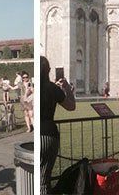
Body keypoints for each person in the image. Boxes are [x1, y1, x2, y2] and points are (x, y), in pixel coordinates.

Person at [39, 56, 75, 194]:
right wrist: (67, 88)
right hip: (49, 134)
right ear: (48, 70)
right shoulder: (52, 88)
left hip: (40, 132)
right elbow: (71, 106)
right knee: (43, 179)